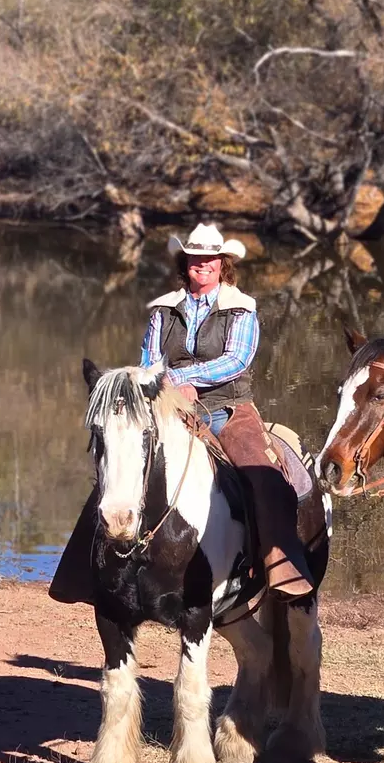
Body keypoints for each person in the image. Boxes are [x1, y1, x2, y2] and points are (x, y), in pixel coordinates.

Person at [50, 222, 316, 602]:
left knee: (260, 469)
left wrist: (179, 377)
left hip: (226, 406)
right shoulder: (164, 309)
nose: (203, 264)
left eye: (210, 258)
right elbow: (147, 360)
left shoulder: (241, 309)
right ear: (185, 261)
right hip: (165, 405)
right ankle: (81, 571)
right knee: (119, 461)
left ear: (223, 263)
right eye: (196, 258)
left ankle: (279, 562)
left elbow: (236, 360)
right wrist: (162, 386)